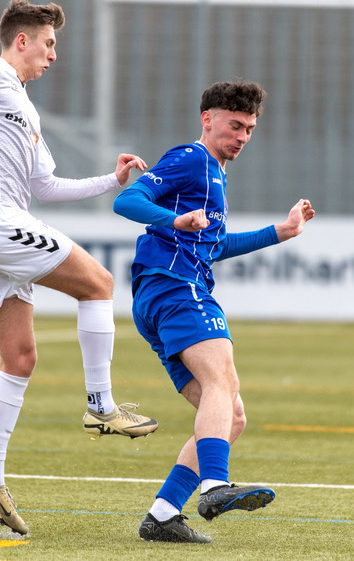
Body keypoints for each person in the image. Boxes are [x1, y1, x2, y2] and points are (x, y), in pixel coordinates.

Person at [0, 0, 157, 536]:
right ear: (21, 40)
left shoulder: (27, 111)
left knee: (19, 359)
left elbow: (46, 187)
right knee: (99, 283)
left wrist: (112, 181)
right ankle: (101, 406)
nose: (53, 54)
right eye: (48, 43)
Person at [113, 79, 314, 544]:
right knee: (223, 382)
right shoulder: (192, 158)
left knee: (230, 415)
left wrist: (281, 231)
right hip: (175, 286)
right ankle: (214, 486)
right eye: (234, 125)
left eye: (249, 129)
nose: (242, 136)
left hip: (168, 292)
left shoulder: (215, 173)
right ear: (208, 119)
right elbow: (128, 200)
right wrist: (173, 219)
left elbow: (215, 244)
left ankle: (163, 515)